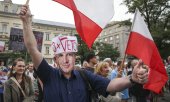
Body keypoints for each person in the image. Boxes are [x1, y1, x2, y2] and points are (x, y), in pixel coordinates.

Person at [20, 4, 148, 102]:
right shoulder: (48, 74)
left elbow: (111, 85)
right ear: (55, 59)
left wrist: (132, 78)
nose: (65, 59)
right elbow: (32, 48)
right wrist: (26, 23)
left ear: (75, 57)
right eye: (61, 55)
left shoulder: (85, 76)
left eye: (70, 54)